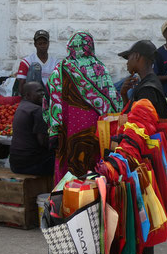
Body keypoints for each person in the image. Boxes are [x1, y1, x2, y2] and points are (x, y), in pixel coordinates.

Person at [112, 39, 167, 254]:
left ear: (138, 56)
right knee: (140, 211)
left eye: (128, 57)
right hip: (142, 158)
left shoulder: (149, 89)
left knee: (145, 213)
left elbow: (142, 129)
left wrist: (123, 150)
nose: (126, 62)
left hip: (144, 160)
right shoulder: (144, 86)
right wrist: (125, 95)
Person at [44, 31, 122, 184]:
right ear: (90, 46)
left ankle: (69, 201)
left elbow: (53, 101)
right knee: (93, 166)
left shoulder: (60, 69)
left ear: (70, 47)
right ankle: (94, 199)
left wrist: (54, 130)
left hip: (70, 130)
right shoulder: (100, 68)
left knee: (71, 165)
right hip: (96, 130)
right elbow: (114, 102)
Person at [10, 81, 54, 177]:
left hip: (15, 163)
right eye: (39, 91)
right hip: (31, 165)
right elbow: (43, 142)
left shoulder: (21, 107)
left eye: (43, 91)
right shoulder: (36, 110)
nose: (43, 93)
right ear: (28, 95)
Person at [16, 30, 59, 96]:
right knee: (35, 66)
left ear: (48, 44)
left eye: (44, 43)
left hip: (50, 95)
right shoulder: (27, 61)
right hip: (33, 96)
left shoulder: (56, 62)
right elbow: (21, 83)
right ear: (35, 44)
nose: (42, 46)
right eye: (40, 43)